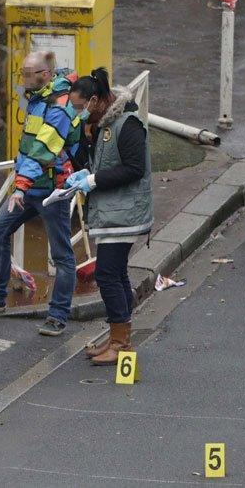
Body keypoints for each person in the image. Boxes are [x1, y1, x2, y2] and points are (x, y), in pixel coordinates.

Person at [0, 51, 81, 337]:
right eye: (23, 74)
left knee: (62, 255)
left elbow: (41, 149)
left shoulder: (59, 106)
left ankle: (58, 314)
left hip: (50, 190)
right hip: (30, 187)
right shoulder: (39, 98)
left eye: (28, 74)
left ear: (46, 75)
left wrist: (21, 185)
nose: (23, 80)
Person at [65, 67, 153, 366]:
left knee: (106, 275)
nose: (78, 113)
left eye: (80, 108)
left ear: (96, 100)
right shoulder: (102, 125)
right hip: (112, 212)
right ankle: (120, 333)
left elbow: (133, 168)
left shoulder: (127, 125)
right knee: (116, 274)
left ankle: (120, 343)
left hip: (124, 214)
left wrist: (94, 180)